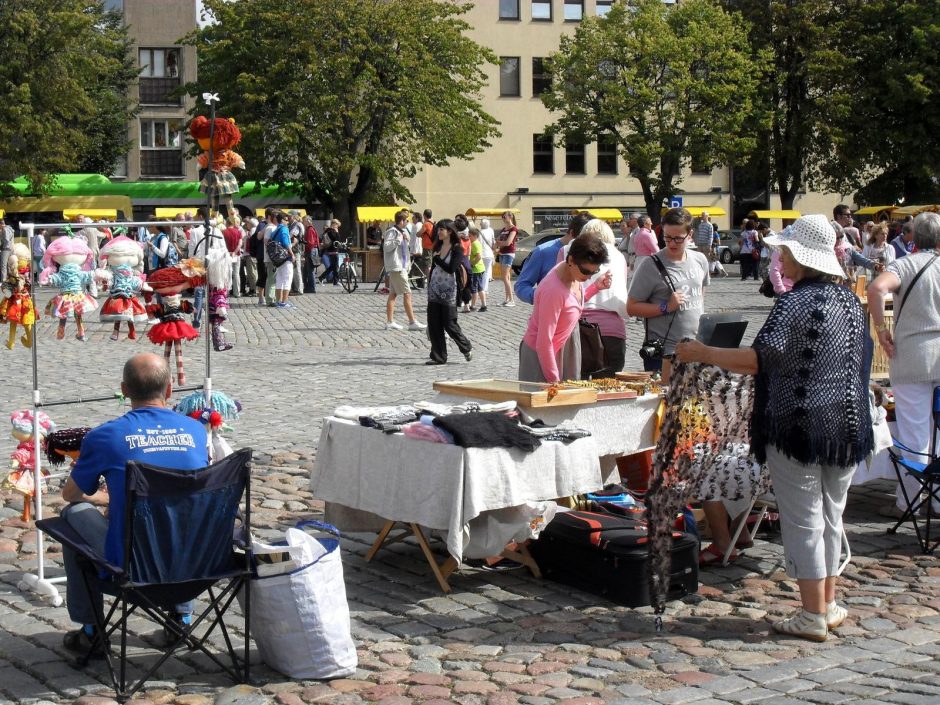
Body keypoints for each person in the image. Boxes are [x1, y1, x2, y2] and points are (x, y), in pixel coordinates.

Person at [675, 214, 873, 642]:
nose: (778, 256)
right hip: (846, 425)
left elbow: (760, 358)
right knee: (830, 517)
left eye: (783, 250)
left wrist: (701, 352)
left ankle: (811, 615)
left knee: (804, 520)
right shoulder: (851, 303)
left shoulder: (795, 302)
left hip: (797, 425)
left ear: (800, 257)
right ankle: (828, 603)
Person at [58, 353, 208, 654]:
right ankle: (181, 617)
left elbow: (71, 494)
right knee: (179, 518)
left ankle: (91, 630)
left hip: (132, 564)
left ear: (124, 390)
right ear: (168, 390)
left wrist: (104, 498)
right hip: (194, 562)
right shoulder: (195, 431)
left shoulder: (105, 436)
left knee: (71, 515)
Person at [868, 211, 940, 520]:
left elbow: (876, 289)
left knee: (914, 432)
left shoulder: (905, 265)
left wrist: (882, 331)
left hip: (913, 355)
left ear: (912, 236)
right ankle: (938, 502)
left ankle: (908, 502)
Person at [627, 207, 709, 379]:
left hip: (696, 349)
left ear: (690, 234)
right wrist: (667, 306)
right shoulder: (650, 265)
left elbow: (701, 293)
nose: (671, 243)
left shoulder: (699, 260)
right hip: (664, 353)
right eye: (667, 237)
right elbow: (632, 307)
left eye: (678, 239)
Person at [519, 235, 612, 383]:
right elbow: (544, 342)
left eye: (593, 272)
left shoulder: (570, 273)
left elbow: (570, 306)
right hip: (542, 356)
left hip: (561, 348)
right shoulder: (553, 291)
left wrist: (595, 287)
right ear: (571, 261)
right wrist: (554, 381)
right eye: (586, 271)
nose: (588, 277)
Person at [558, 219, 629, 377]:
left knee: (576, 387)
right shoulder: (619, 256)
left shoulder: (566, 251)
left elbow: (561, 288)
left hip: (576, 327)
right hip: (612, 329)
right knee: (610, 387)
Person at [515, 212, 592, 305]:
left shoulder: (593, 252)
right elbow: (521, 285)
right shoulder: (543, 251)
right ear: (572, 233)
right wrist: (541, 296)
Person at [426, 219, 473, 365]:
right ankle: (439, 356)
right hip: (434, 290)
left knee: (449, 324)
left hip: (449, 291)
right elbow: (434, 267)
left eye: (442, 229)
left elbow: (452, 268)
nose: (439, 232)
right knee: (434, 324)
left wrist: (438, 259)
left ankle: (466, 347)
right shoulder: (438, 246)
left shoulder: (457, 248)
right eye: (438, 229)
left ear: (450, 231)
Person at [383, 210, 425, 331]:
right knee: (407, 293)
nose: (408, 222)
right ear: (401, 221)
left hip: (401, 266)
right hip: (397, 268)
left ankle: (390, 321)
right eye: (406, 220)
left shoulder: (400, 232)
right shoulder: (393, 232)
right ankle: (412, 322)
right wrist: (399, 239)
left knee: (393, 294)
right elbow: (386, 247)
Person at [271, 212, 294, 308]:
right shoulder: (284, 229)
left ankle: (278, 301)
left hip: (278, 259)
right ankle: (284, 302)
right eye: (286, 219)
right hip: (285, 257)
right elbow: (285, 242)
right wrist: (292, 254)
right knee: (287, 279)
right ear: (282, 220)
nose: (288, 221)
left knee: (279, 279)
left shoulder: (276, 230)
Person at [496, 211, 518, 306]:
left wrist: (499, 243)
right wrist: (496, 246)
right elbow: (498, 240)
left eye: (504, 217)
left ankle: (512, 300)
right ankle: (507, 299)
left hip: (509, 253)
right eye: (503, 217)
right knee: (506, 277)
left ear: (510, 217)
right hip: (502, 253)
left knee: (505, 277)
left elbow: (508, 242)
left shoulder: (513, 229)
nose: (503, 219)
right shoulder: (503, 229)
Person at [222, 215, 243, 298]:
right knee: (236, 274)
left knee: (227, 273)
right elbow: (240, 244)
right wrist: (234, 252)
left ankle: (226, 292)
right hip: (236, 255)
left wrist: (229, 252)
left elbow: (222, 244)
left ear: (226, 223)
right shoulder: (238, 231)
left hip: (226, 255)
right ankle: (237, 292)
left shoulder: (223, 232)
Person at [467, 226, 487, 312]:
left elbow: (478, 256)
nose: (468, 237)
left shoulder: (474, 244)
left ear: (475, 236)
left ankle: (473, 305)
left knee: (474, 288)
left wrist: (472, 264)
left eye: (470, 236)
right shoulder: (476, 243)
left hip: (476, 269)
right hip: (480, 268)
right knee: (480, 288)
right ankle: (483, 305)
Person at [287, 210, 305, 295]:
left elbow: (291, 235)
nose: (288, 217)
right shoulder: (289, 225)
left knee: (297, 269)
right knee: (292, 269)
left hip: (296, 250)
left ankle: (299, 289)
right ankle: (295, 288)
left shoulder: (297, 225)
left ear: (294, 216)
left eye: (289, 216)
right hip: (291, 250)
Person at [319, 219, 342, 286]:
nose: (337, 227)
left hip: (330, 250)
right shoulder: (332, 231)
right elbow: (337, 240)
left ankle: (333, 281)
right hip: (333, 250)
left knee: (333, 266)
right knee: (335, 266)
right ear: (334, 224)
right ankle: (333, 280)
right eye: (337, 225)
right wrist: (337, 232)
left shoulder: (328, 231)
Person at [478, 217, 496, 296]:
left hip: (481, 254)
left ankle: (481, 288)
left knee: (480, 272)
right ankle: (485, 289)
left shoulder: (479, 232)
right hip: (489, 254)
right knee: (487, 272)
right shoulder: (491, 230)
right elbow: (493, 242)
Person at [302, 216, 319, 293]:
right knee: (306, 271)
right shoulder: (309, 229)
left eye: (304, 221)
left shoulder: (310, 230)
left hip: (310, 251)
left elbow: (311, 243)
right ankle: (308, 287)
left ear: (308, 221)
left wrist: (303, 242)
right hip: (311, 251)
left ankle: (311, 288)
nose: (303, 222)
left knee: (310, 270)